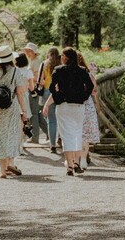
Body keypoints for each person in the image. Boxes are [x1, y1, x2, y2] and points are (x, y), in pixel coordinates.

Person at [42, 47, 92, 176]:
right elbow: (90, 86)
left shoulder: (59, 70)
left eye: (63, 56)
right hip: (78, 106)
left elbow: (52, 87)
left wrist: (58, 97)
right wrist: (84, 97)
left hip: (63, 105)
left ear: (67, 57)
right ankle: (76, 162)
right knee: (77, 133)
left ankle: (70, 165)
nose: (61, 58)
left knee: (66, 135)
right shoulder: (81, 71)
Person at [0, 45, 29, 179]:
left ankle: (2, 171)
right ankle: (9, 162)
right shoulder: (16, 72)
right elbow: (19, 93)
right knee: (12, 135)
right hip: (11, 107)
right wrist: (24, 110)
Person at [76, 52, 101, 168]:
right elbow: (94, 90)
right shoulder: (89, 74)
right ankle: (83, 159)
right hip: (88, 104)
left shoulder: (70, 73)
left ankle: (76, 160)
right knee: (85, 134)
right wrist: (97, 104)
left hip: (75, 104)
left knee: (76, 133)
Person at [40, 47, 61, 153]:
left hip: (48, 91)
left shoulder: (44, 64)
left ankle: (52, 144)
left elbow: (40, 81)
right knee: (62, 118)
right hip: (60, 91)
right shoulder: (61, 63)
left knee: (51, 120)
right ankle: (61, 139)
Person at [13, 51, 34, 157]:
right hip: (24, 97)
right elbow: (32, 88)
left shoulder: (13, 71)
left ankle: (14, 145)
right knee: (22, 123)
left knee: (13, 123)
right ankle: (20, 146)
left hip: (13, 98)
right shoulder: (28, 72)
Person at [22, 42, 44, 142]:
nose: (27, 53)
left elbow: (38, 77)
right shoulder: (33, 61)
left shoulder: (36, 62)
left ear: (34, 52)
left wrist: (28, 78)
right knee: (37, 114)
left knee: (33, 114)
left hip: (33, 90)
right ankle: (48, 134)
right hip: (31, 89)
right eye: (26, 51)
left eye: (29, 51)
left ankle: (35, 137)